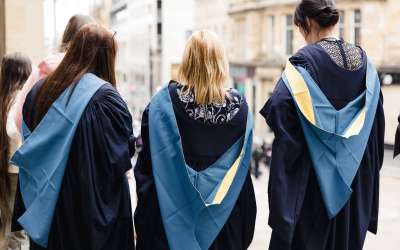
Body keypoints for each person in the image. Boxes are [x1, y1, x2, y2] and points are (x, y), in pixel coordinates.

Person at [260, 1, 385, 250]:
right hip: (353, 192)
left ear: (306, 23)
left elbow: (285, 137)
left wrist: (280, 204)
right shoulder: (366, 67)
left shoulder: (302, 65)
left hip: (310, 193)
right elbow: (376, 140)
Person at [10, 23, 136, 250]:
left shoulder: (40, 89)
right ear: (107, 58)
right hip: (85, 210)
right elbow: (123, 153)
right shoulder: (105, 98)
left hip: (49, 207)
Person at [134, 30, 256, 250]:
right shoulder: (240, 108)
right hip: (224, 225)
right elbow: (243, 174)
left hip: (167, 221)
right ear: (221, 62)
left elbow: (146, 166)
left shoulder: (163, 102)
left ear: (187, 61)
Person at [14, 14, 94, 134]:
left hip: (42, 149)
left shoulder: (41, 70)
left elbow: (19, 118)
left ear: (66, 37)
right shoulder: (98, 74)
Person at [0, 52, 32, 250]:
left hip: (6, 172)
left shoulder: (4, 98)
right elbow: (12, 130)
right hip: (15, 175)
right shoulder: (18, 99)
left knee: (9, 227)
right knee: (17, 233)